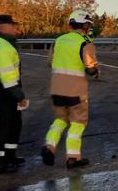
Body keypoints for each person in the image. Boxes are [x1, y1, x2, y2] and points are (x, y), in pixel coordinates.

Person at [41, 9, 99, 169]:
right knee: (78, 122)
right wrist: (94, 71)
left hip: (57, 87)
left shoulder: (58, 40)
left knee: (60, 119)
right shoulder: (85, 42)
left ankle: (49, 147)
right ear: (85, 25)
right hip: (75, 89)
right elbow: (91, 67)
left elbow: (50, 62)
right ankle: (73, 157)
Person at [0, 15, 28, 174]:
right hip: (4, 90)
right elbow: (7, 77)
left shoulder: (5, 44)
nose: (15, 28)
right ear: (2, 26)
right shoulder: (3, 47)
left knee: (13, 124)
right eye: (13, 25)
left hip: (7, 88)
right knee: (2, 126)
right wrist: (19, 96)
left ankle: (9, 156)